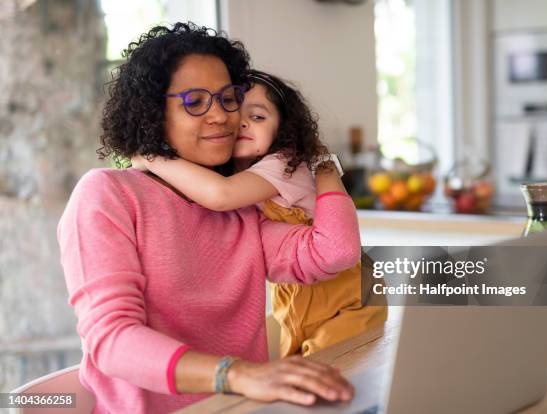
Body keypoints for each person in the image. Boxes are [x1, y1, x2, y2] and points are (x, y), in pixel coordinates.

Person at [57, 23, 358, 414]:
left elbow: (334, 252)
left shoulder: (242, 207)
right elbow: (112, 341)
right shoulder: (108, 194)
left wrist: (322, 162)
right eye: (195, 102)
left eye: (227, 98)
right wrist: (237, 375)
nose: (221, 116)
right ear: (153, 113)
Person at [132, 69, 387, 358]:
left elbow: (221, 195)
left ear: (283, 130)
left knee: (325, 384)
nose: (241, 123)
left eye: (257, 117)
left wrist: (152, 157)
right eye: (235, 114)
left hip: (346, 301)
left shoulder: (283, 163)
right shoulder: (248, 174)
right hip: (299, 301)